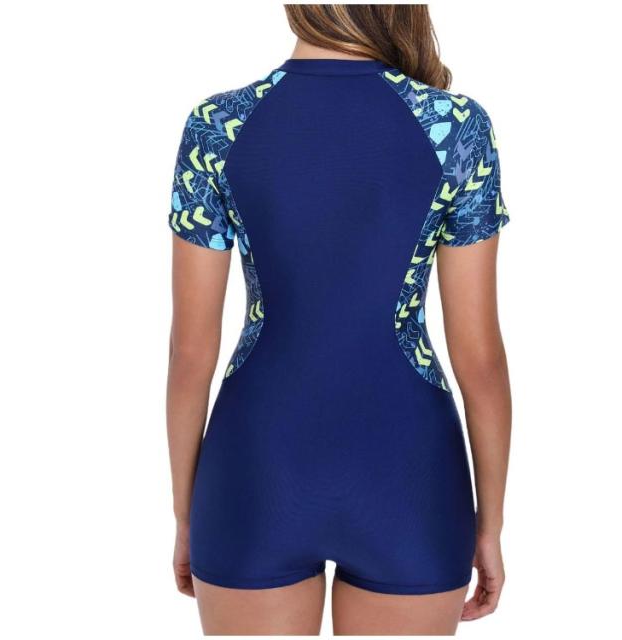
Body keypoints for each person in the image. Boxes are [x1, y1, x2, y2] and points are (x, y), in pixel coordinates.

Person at [166, 5, 511, 635]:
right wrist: (489, 524)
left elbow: (191, 354)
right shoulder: (457, 127)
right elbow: (480, 360)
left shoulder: (218, 124)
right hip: (410, 476)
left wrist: (190, 514)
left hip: (254, 470)